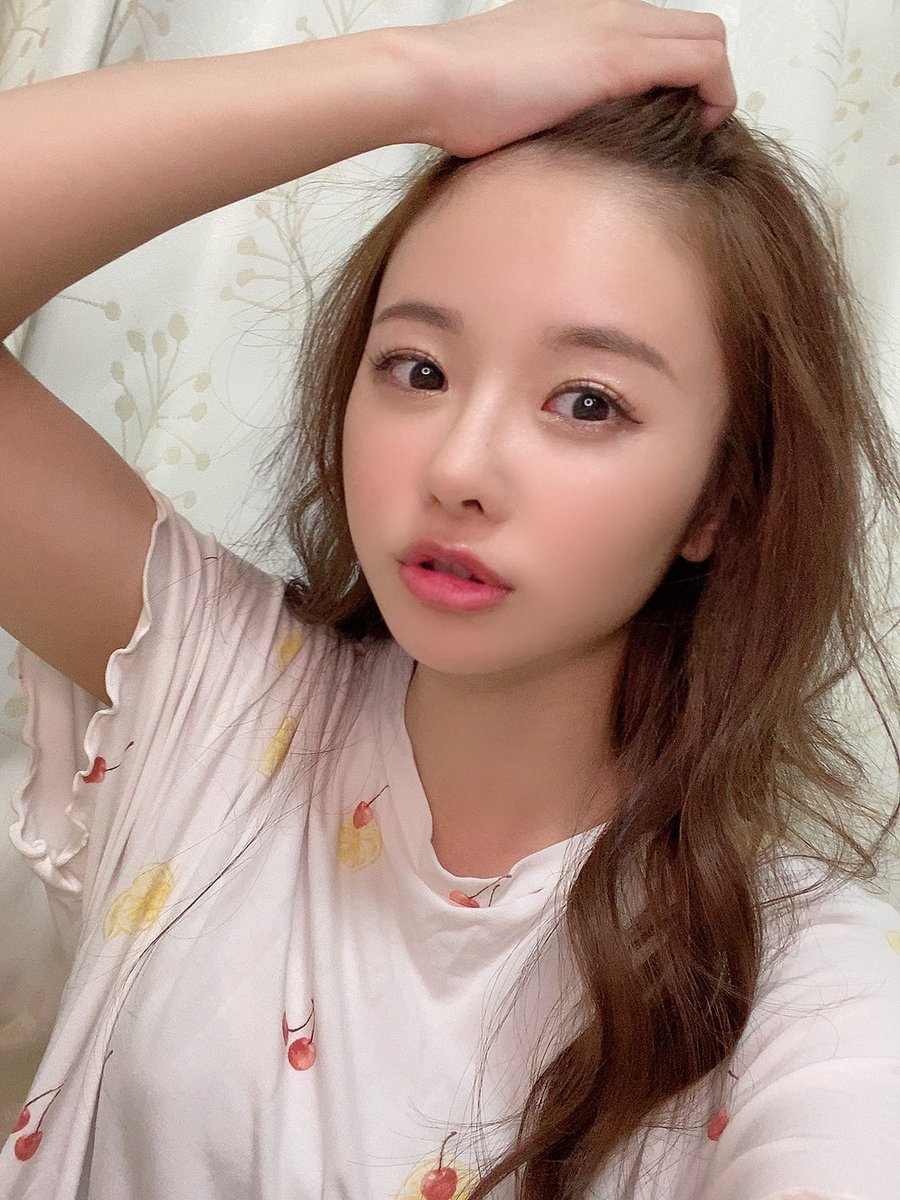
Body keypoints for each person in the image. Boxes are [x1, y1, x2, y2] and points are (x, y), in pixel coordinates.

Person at [0, 1, 898, 1197]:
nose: (459, 469)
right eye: (417, 369)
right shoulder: (219, 704)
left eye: (587, 402)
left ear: (718, 501)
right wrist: (419, 77)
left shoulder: (801, 995)